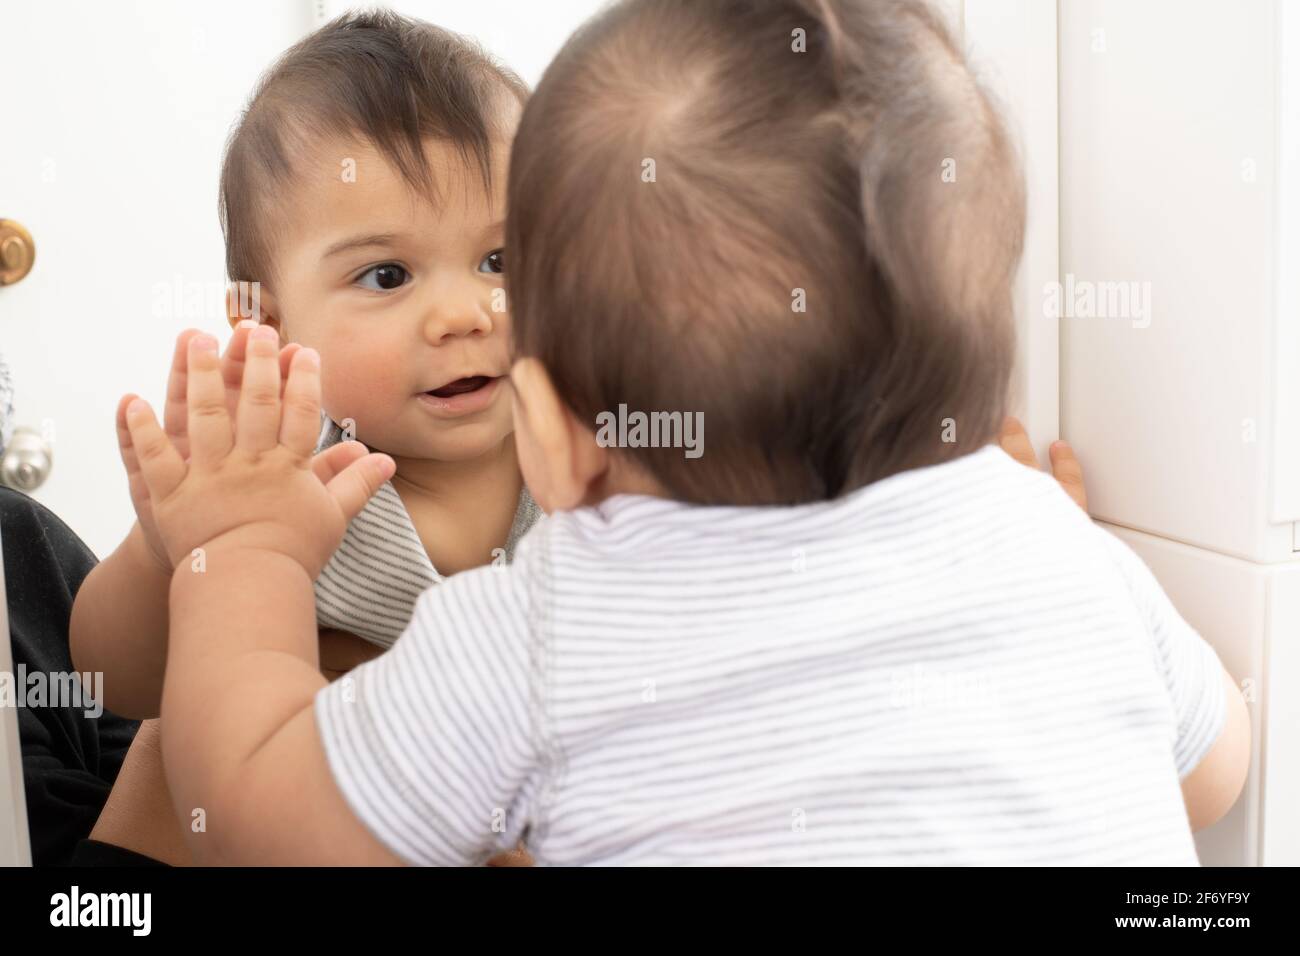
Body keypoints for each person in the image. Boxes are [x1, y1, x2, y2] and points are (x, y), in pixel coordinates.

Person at [119, 0, 1248, 865]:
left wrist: (246, 551)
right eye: (385, 271)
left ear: (550, 437)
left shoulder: (548, 628)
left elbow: (254, 815)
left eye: (504, 263)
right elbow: (1213, 771)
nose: (464, 313)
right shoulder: (1062, 551)